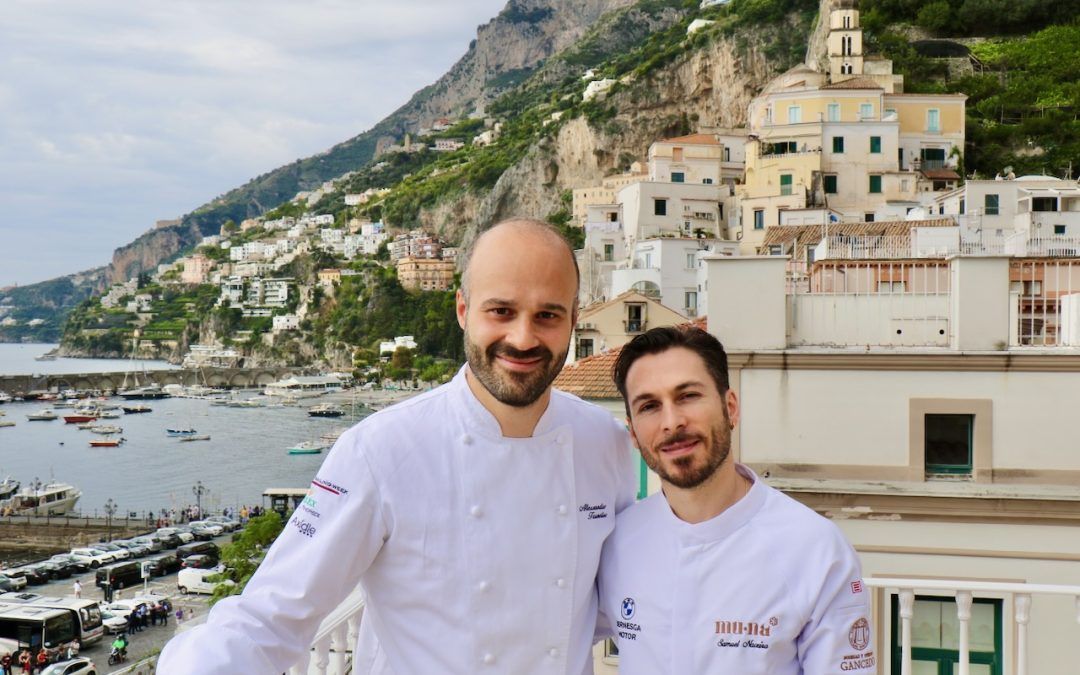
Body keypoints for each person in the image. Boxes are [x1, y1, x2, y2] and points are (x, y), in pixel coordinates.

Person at [158, 219, 638, 673]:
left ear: (574, 320)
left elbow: (617, 598)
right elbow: (271, 616)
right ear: (463, 310)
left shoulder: (605, 443)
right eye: (501, 311)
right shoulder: (379, 451)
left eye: (547, 315)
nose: (522, 336)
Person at [598, 326, 875, 673]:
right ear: (634, 433)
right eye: (650, 406)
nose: (672, 422)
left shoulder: (815, 549)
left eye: (688, 396)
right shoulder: (615, 542)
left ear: (730, 407)